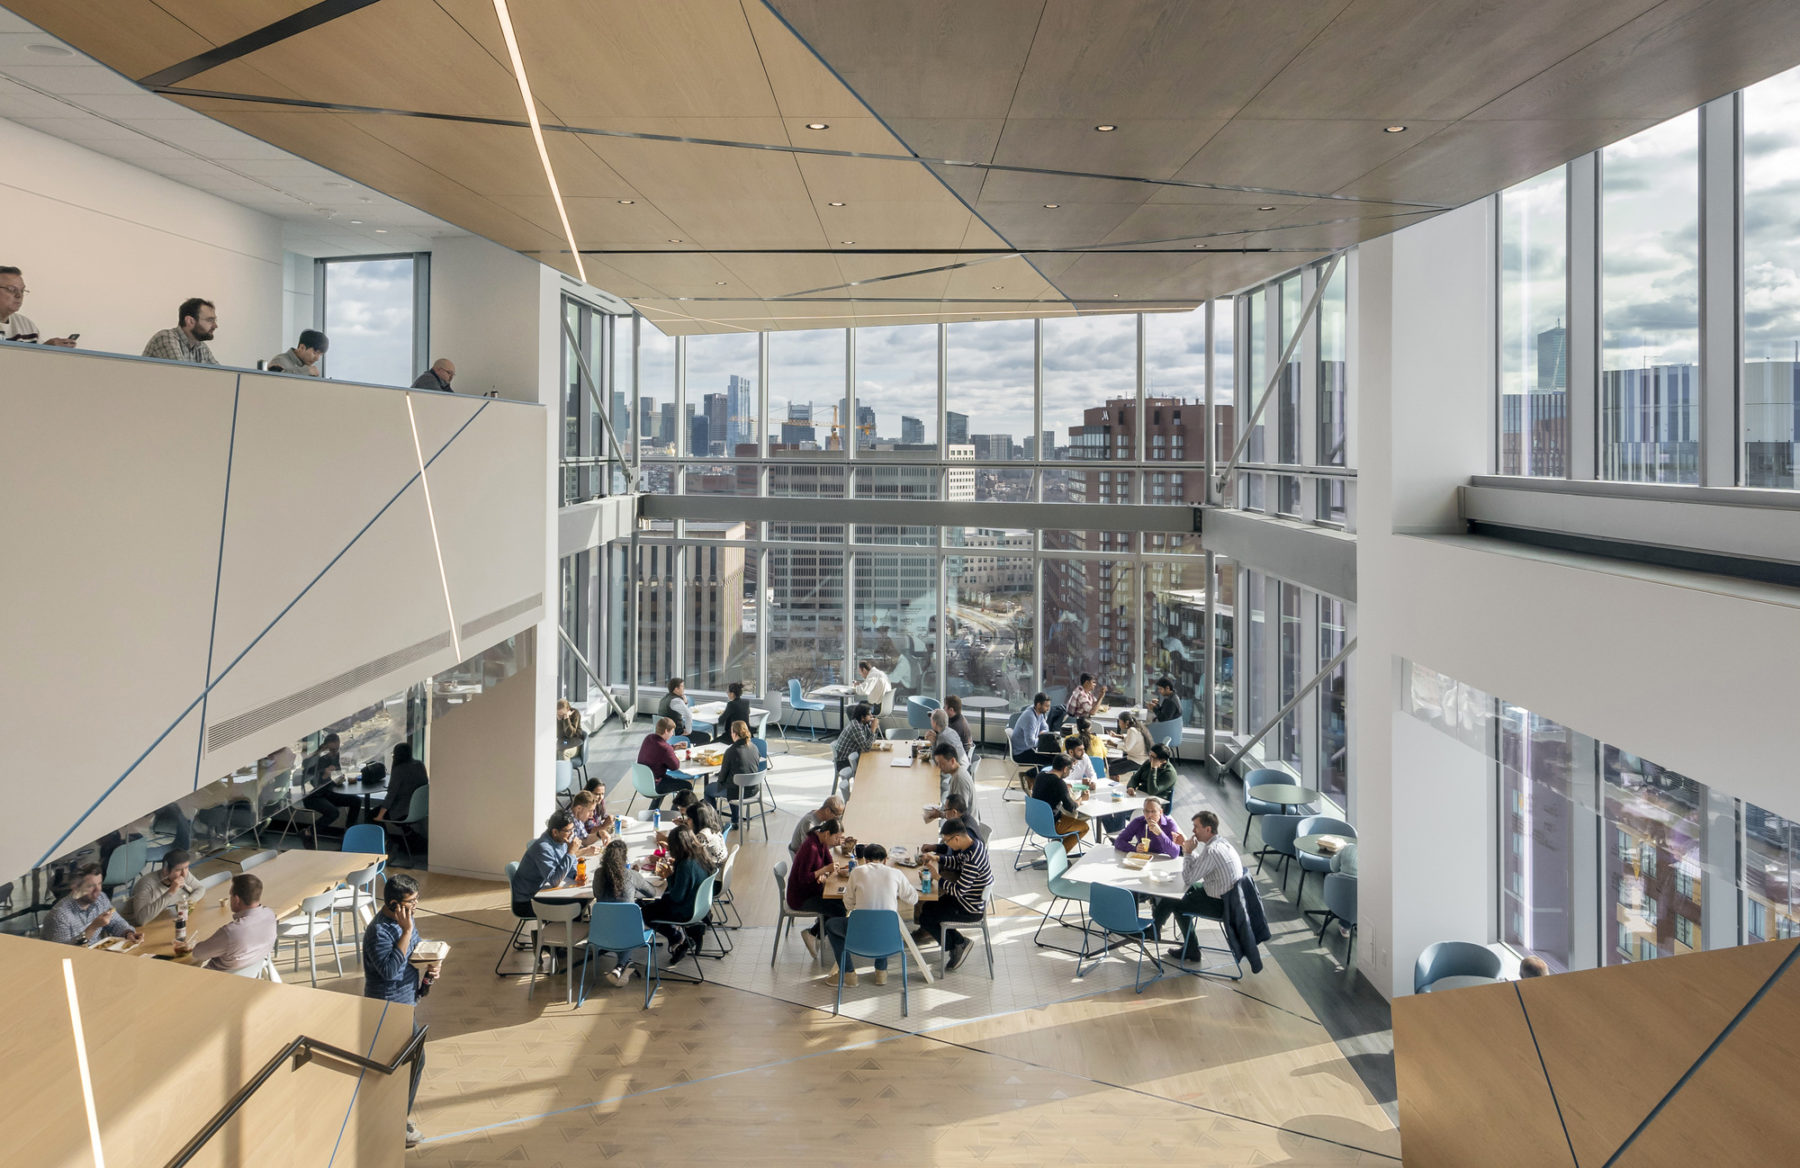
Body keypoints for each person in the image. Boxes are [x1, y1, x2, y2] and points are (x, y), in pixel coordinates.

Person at [363, 873, 438, 1149]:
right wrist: (406, 932)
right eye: (411, 902)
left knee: (412, 1062)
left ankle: (396, 1118)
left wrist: (431, 965)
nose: (415, 907)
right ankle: (394, 1122)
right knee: (404, 1064)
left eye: (417, 900)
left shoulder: (406, 918)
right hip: (386, 1007)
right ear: (394, 904)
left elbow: (414, 950)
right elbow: (390, 971)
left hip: (406, 1002)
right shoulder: (378, 931)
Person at [1155, 810, 1244, 961]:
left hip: (1222, 905)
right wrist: (1184, 845)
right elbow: (1202, 865)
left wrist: (1188, 853)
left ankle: (1190, 949)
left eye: (1196, 827)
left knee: (1178, 902)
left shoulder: (1211, 850)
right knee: (1177, 893)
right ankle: (1155, 928)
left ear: (1208, 829)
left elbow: (1189, 878)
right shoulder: (1221, 842)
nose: (1193, 831)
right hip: (1228, 897)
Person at [826, 842, 917, 987]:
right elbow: (913, 898)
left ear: (865, 860)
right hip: (889, 937)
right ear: (885, 860)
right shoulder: (896, 873)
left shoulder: (857, 872)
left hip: (859, 935)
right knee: (883, 923)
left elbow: (848, 903)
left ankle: (849, 974)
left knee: (831, 925)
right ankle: (881, 973)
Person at [918, 818, 992, 973]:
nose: (946, 845)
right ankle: (958, 942)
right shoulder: (974, 845)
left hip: (969, 908)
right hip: (966, 900)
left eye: (947, 841)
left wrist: (937, 877)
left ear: (956, 838)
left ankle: (958, 944)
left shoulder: (972, 858)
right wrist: (936, 858)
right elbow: (958, 862)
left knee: (926, 918)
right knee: (928, 908)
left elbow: (958, 891)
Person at [642, 825, 714, 962]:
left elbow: (676, 897)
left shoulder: (685, 865)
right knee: (658, 903)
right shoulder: (700, 854)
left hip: (686, 909)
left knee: (647, 912)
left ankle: (676, 938)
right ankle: (692, 931)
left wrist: (669, 875)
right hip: (701, 905)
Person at [180, 873, 277, 973]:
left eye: (230, 895)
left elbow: (198, 954)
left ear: (236, 899)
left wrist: (192, 944)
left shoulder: (231, 933)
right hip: (250, 974)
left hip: (216, 981)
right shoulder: (270, 915)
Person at [593, 839, 660, 986]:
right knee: (629, 925)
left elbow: (596, 893)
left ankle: (623, 966)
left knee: (621, 925)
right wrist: (636, 882)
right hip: (629, 931)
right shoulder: (631, 875)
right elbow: (652, 892)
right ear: (625, 858)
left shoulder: (598, 874)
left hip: (601, 930)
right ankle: (621, 965)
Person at [787, 817, 849, 957]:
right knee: (839, 911)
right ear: (827, 834)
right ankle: (813, 934)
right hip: (801, 898)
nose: (838, 842)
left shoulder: (821, 842)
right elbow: (804, 878)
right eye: (836, 838)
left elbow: (829, 862)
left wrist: (828, 870)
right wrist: (823, 871)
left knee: (843, 903)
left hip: (813, 890)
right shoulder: (811, 847)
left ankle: (816, 934)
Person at [43, 862, 142, 946]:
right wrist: (93, 927)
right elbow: (64, 952)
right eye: (91, 886)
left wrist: (128, 933)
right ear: (75, 888)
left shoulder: (100, 898)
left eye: (99, 883)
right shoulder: (60, 916)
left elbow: (116, 922)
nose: (98, 890)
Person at [509, 810, 588, 915]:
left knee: (582, 898)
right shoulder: (543, 847)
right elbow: (554, 881)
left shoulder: (561, 840)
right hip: (528, 902)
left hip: (542, 892)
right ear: (555, 832)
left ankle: (566, 928)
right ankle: (562, 929)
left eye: (573, 830)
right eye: (568, 831)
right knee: (579, 903)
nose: (571, 834)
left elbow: (567, 866)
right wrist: (571, 852)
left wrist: (576, 875)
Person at [126, 848, 203, 926]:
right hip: (136, 928)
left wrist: (188, 902)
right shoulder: (146, 884)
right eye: (178, 870)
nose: (184, 874)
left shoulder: (183, 873)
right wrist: (171, 892)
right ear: (165, 870)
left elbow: (200, 888)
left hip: (161, 919)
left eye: (186, 867)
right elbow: (141, 920)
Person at [0, 266, 75, 346]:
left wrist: (48, 350)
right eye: (11, 289)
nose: (19, 295)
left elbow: (35, 357)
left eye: (22, 290)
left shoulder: (26, 325)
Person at [925, 741, 985, 840]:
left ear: (952, 761)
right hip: (963, 827)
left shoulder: (959, 780)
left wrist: (940, 814)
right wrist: (940, 813)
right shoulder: (957, 773)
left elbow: (958, 814)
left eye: (941, 764)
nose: (939, 767)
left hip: (965, 833)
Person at [1030, 753, 1090, 852]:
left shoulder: (1041, 775)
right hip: (1051, 824)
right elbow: (1071, 807)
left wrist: (1064, 787)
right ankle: (1058, 854)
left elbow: (1051, 787)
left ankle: (1056, 844)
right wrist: (1082, 798)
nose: (1070, 772)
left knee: (1071, 819)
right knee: (1084, 827)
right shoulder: (1059, 783)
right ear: (1065, 769)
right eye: (1071, 769)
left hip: (1035, 820)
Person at [708, 719, 763, 825]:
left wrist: (719, 783)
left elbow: (722, 776)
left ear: (734, 734)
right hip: (753, 790)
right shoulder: (754, 747)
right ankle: (734, 820)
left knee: (708, 790)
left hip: (736, 793)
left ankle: (713, 822)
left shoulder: (731, 751)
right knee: (734, 783)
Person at [637, 717, 696, 809]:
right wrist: (670, 751)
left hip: (641, 781)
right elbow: (675, 766)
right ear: (666, 731)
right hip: (656, 784)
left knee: (668, 781)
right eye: (672, 731)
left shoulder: (648, 738)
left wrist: (672, 747)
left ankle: (652, 812)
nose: (672, 734)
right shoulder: (665, 748)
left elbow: (657, 751)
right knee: (687, 786)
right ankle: (674, 812)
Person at [142, 297, 220, 365]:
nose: (215, 326)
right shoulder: (166, 338)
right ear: (190, 321)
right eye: (210, 320)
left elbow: (221, 376)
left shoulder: (201, 347)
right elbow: (182, 375)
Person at [373, 741, 428, 823]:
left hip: (402, 811)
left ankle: (384, 835)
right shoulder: (420, 764)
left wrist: (380, 816)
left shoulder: (399, 770)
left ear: (396, 755)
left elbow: (391, 796)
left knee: (371, 815)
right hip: (419, 809)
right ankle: (408, 833)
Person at [832, 701, 878, 797]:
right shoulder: (855, 727)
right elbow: (866, 747)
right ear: (862, 717)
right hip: (844, 762)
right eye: (869, 715)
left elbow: (868, 739)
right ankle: (863, 793)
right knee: (870, 767)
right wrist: (873, 729)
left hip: (850, 757)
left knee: (873, 764)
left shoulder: (861, 724)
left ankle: (867, 792)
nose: (872, 717)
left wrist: (871, 728)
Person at [1111, 797, 1181, 858]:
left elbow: (1175, 853)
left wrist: (1160, 833)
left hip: (1162, 860)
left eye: (1153, 811)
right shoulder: (1138, 822)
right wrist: (1135, 849)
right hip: (1142, 858)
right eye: (1147, 811)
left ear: (1160, 812)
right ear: (1143, 812)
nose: (1149, 815)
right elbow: (1118, 841)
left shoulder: (1170, 824)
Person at [657, 677, 711, 745]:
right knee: (705, 737)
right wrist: (688, 731)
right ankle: (695, 754)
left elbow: (681, 711)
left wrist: (685, 703)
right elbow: (688, 715)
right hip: (675, 733)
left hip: (664, 732)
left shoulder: (664, 699)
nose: (683, 689)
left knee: (688, 727)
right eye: (682, 687)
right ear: (676, 689)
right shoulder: (676, 701)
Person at [1009, 692, 1054, 768]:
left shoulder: (1039, 712)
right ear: (1039, 705)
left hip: (1030, 748)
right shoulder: (1030, 718)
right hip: (1021, 753)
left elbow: (1045, 727)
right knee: (1052, 762)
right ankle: (1030, 776)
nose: (1048, 709)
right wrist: (1043, 740)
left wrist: (1043, 733)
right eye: (1046, 706)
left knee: (1054, 757)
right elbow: (1030, 743)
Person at [684, 801, 728, 866]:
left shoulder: (703, 835)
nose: (686, 820)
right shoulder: (712, 826)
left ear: (696, 820)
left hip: (714, 867)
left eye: (689, 818)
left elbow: (689, 853)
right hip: (720, 862)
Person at [1109, 711, 1151, 777]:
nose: (1119, 724)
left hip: (1138, 761)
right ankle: (1115, 782)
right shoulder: (1137, 727)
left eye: (1120, 722)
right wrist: (1117, 736)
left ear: (1127, 722)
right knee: (1111, 763)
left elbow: (1127, 748)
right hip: (1139, 758)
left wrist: (1113, 744)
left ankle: (1115, 785)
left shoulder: (1132, 730)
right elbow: (1131, 739)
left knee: (1112, 768)